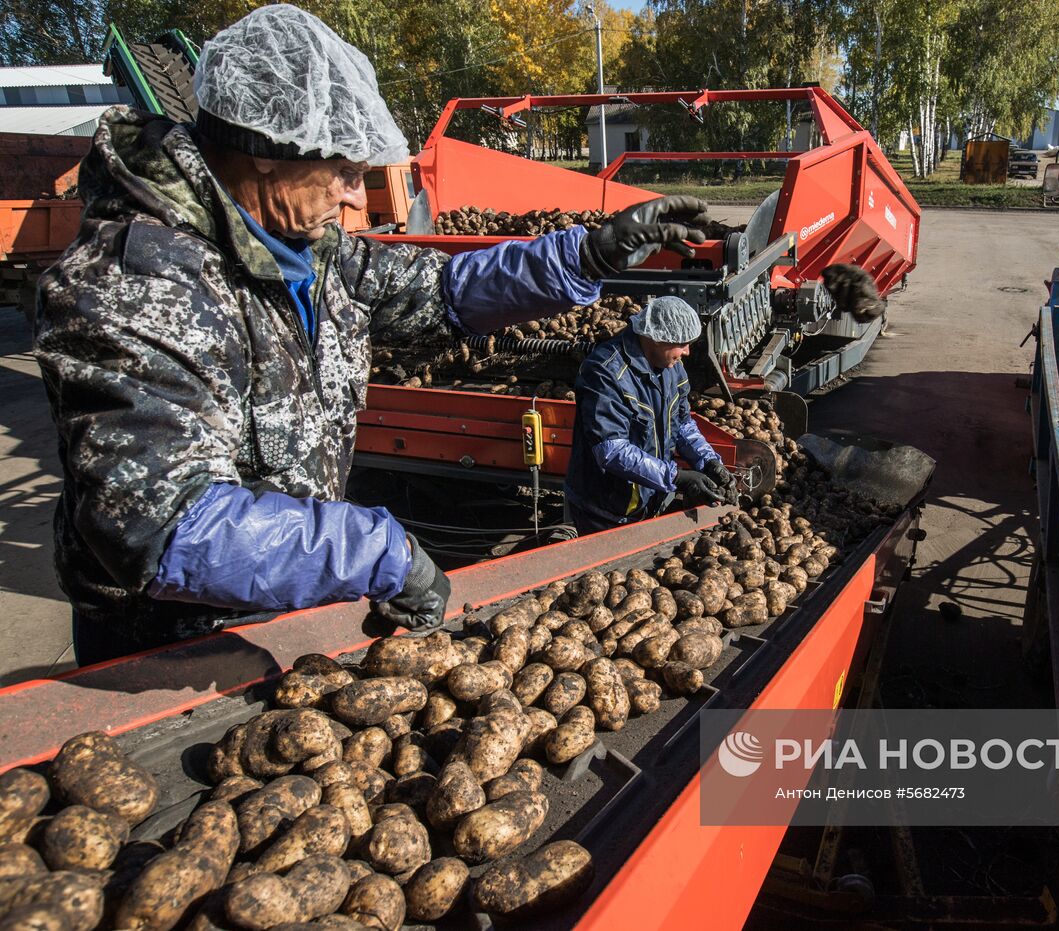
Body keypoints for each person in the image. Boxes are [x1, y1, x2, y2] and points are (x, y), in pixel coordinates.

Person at [33, 4, 708, 663]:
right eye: (347, 173)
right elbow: (164, 524)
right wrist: (375, 550)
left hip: (284, 616)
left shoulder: (306, 248)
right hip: (168, 649)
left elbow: (440, 291)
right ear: (268, 155)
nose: (360, 199)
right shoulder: (135, 282)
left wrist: (583, 257)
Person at [565, 296, 739, 534]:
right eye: (682, 343)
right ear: (656, 338)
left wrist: (708, 462)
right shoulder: (605, 373)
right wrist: (677, 477)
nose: (687, 352)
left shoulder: (671, 366)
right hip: (606, 510)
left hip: (651, 500)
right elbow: (612, 450)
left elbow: (682, 423)